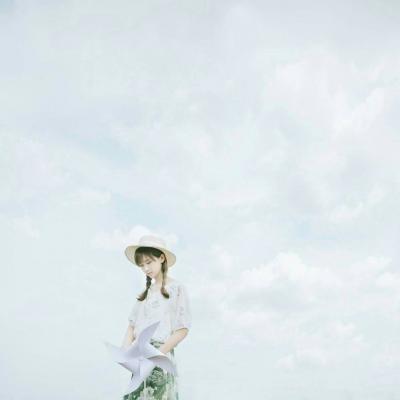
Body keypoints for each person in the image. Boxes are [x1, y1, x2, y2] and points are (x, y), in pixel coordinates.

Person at [121, 234, 192, 400]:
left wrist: (156, 356)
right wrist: (125, 351)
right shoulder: (145, 294)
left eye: (149, 262)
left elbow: (182, 329)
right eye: (142, 265)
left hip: (160, 356)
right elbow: (132, 326)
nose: (146, 268)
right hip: (140, 359)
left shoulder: (176, 288)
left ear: (161, 258)